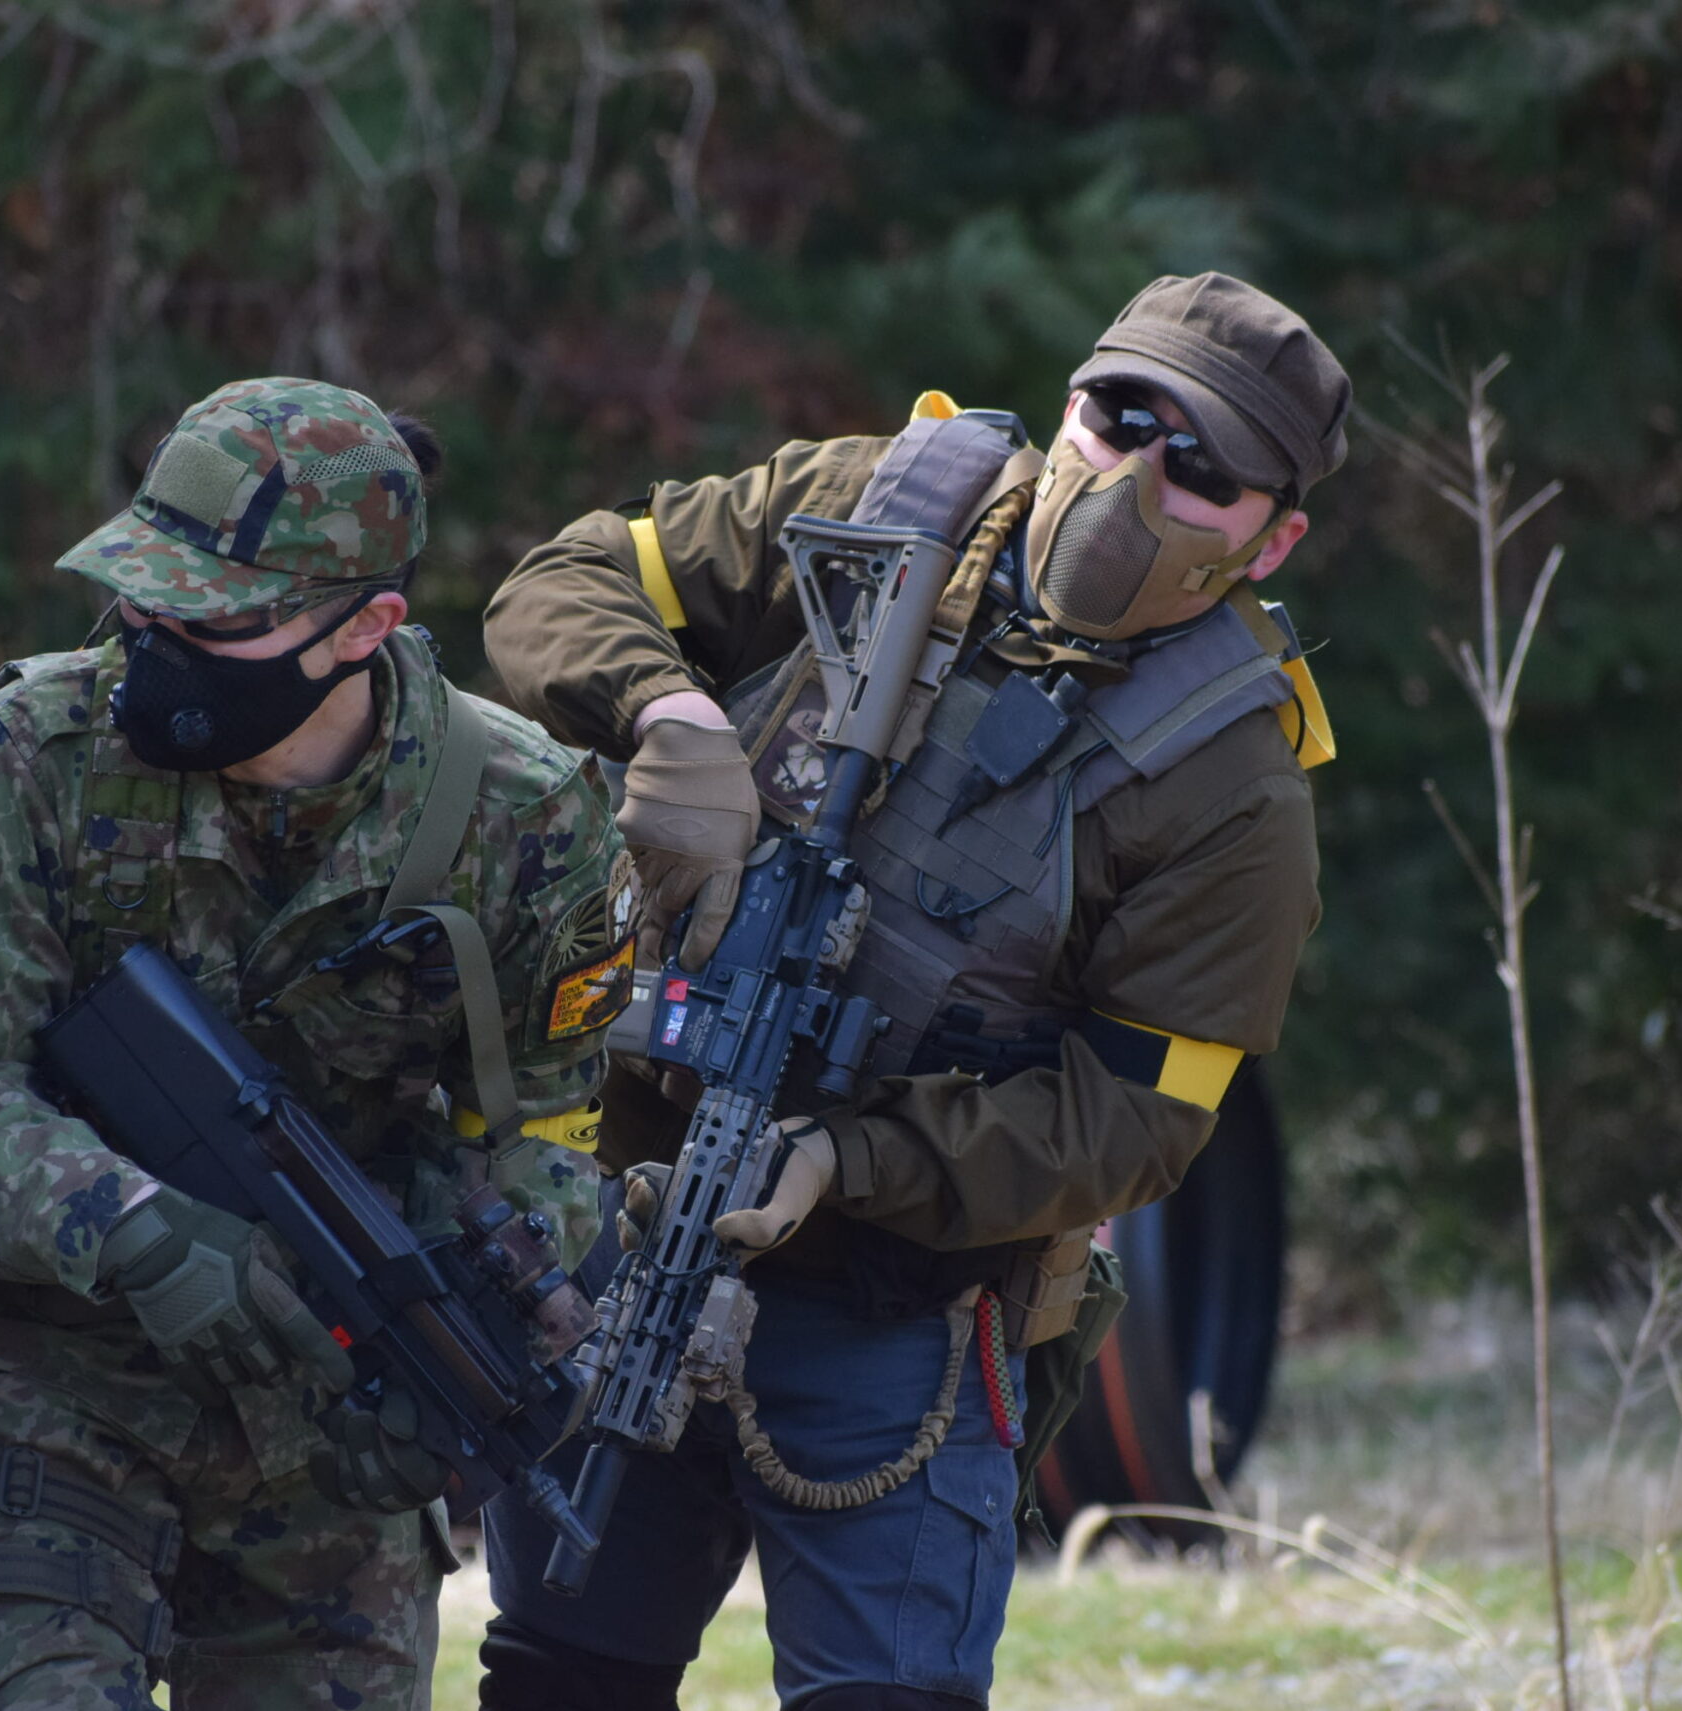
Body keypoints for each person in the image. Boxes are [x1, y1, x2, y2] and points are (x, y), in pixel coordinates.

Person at [476, 273, 1351, 1711]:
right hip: (629, 1216)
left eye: (1204, 471)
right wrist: (670, 717)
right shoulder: (877, 505)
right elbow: (558, 583)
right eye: (1123, 418)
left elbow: (1133, 1123)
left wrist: (847, 1159)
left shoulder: (1233, 784)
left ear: (1276, 536)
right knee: (562, 1674)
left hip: (897, 1315)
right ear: (1069, 401)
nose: (1137, 478)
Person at [0, 377, 631, 1711]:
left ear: (366, 626)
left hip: (326, 1401)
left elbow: (548, 1127)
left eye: (213, 619)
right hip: (55, 1365)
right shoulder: (33, 755)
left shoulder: (523, 815)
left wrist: (470, 1334)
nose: (154, 637)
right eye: (143, 597)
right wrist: (133, 1228)